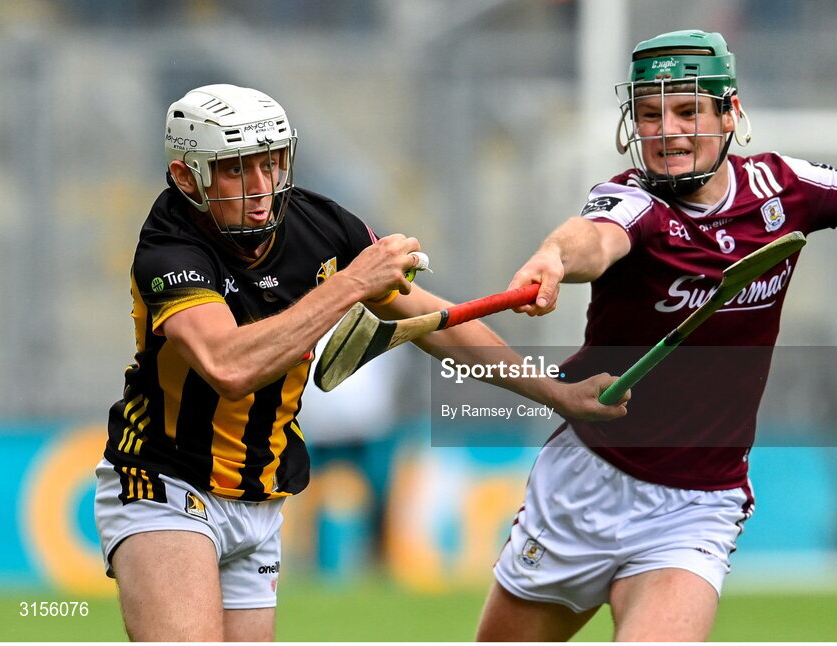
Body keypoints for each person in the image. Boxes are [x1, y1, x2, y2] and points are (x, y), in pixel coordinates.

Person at [475, 30, 837, 642]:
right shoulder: (633, 200)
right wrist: (553, 257)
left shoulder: (783, 188)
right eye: (649, 113)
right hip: (588, 482)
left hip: (696, 504)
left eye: (689, 110)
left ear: (730, 114)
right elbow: (596, 236)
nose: (667, 130)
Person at [93, 84, 628, 642]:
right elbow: (229, 367)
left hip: (259, 496)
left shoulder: (319, 224)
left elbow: (432, 318)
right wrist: (350, 284)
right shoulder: (169, 248)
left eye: (271, 165)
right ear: (187, 178)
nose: (260, 189)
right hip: (165, 482)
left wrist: (555, 388)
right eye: (234, 170)